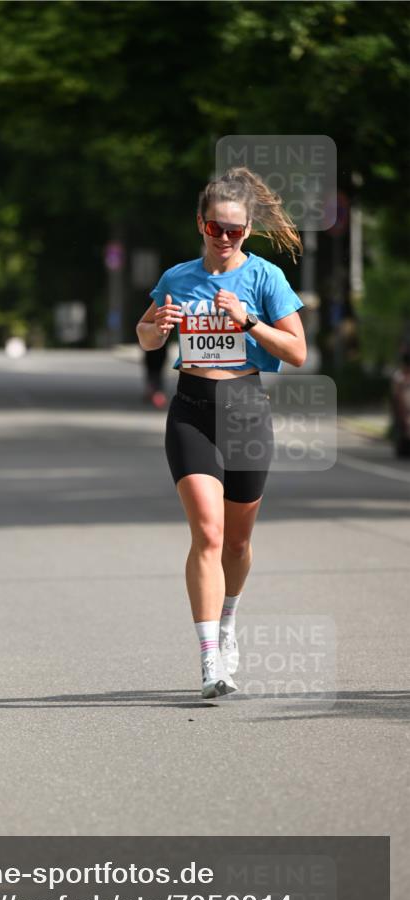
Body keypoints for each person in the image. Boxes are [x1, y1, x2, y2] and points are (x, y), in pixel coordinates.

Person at [136, 166, 306, 698]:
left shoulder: (265, 279)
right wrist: (155, 328)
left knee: (237, 541)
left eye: (234, 230)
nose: (225, 238)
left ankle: (228, 619)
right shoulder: (177, 277)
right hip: (192, 410)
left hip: (246, 412)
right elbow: (144, 337)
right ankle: (211, 659)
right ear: (200, 226)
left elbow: (298, 352)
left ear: (249, 230)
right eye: (216, 228)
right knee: (207, 534)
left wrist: (249, 322)